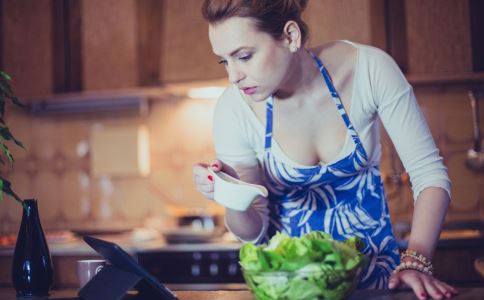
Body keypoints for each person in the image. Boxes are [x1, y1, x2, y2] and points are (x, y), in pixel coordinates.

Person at [192, 0, 457, 298]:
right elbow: (252, 230)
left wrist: (416, 262)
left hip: (378, 285)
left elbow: (430, 175)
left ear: (290, 36)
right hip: (290, 290)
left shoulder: (370, 69)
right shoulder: (233, 108)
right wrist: (232, 193)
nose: (233, 76)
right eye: (224, 61)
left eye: (244, 56)